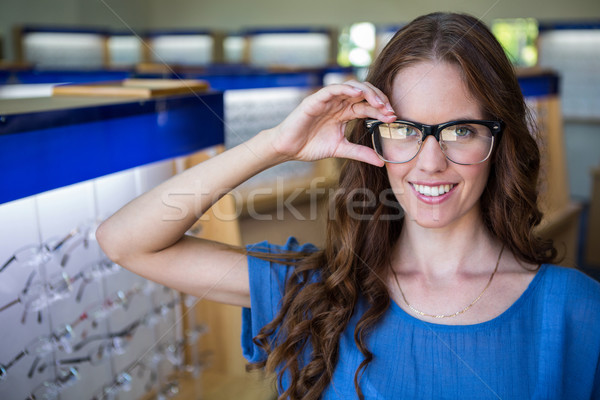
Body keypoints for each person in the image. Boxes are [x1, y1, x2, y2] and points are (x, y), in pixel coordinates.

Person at [96, 12, 600, 400]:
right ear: (375, 140)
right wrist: (276, 145)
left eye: (460, 130)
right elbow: (124, 242)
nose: (429, 163)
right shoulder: (318, 291)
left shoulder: (575, 310)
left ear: (500, 141)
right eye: (405, 130)